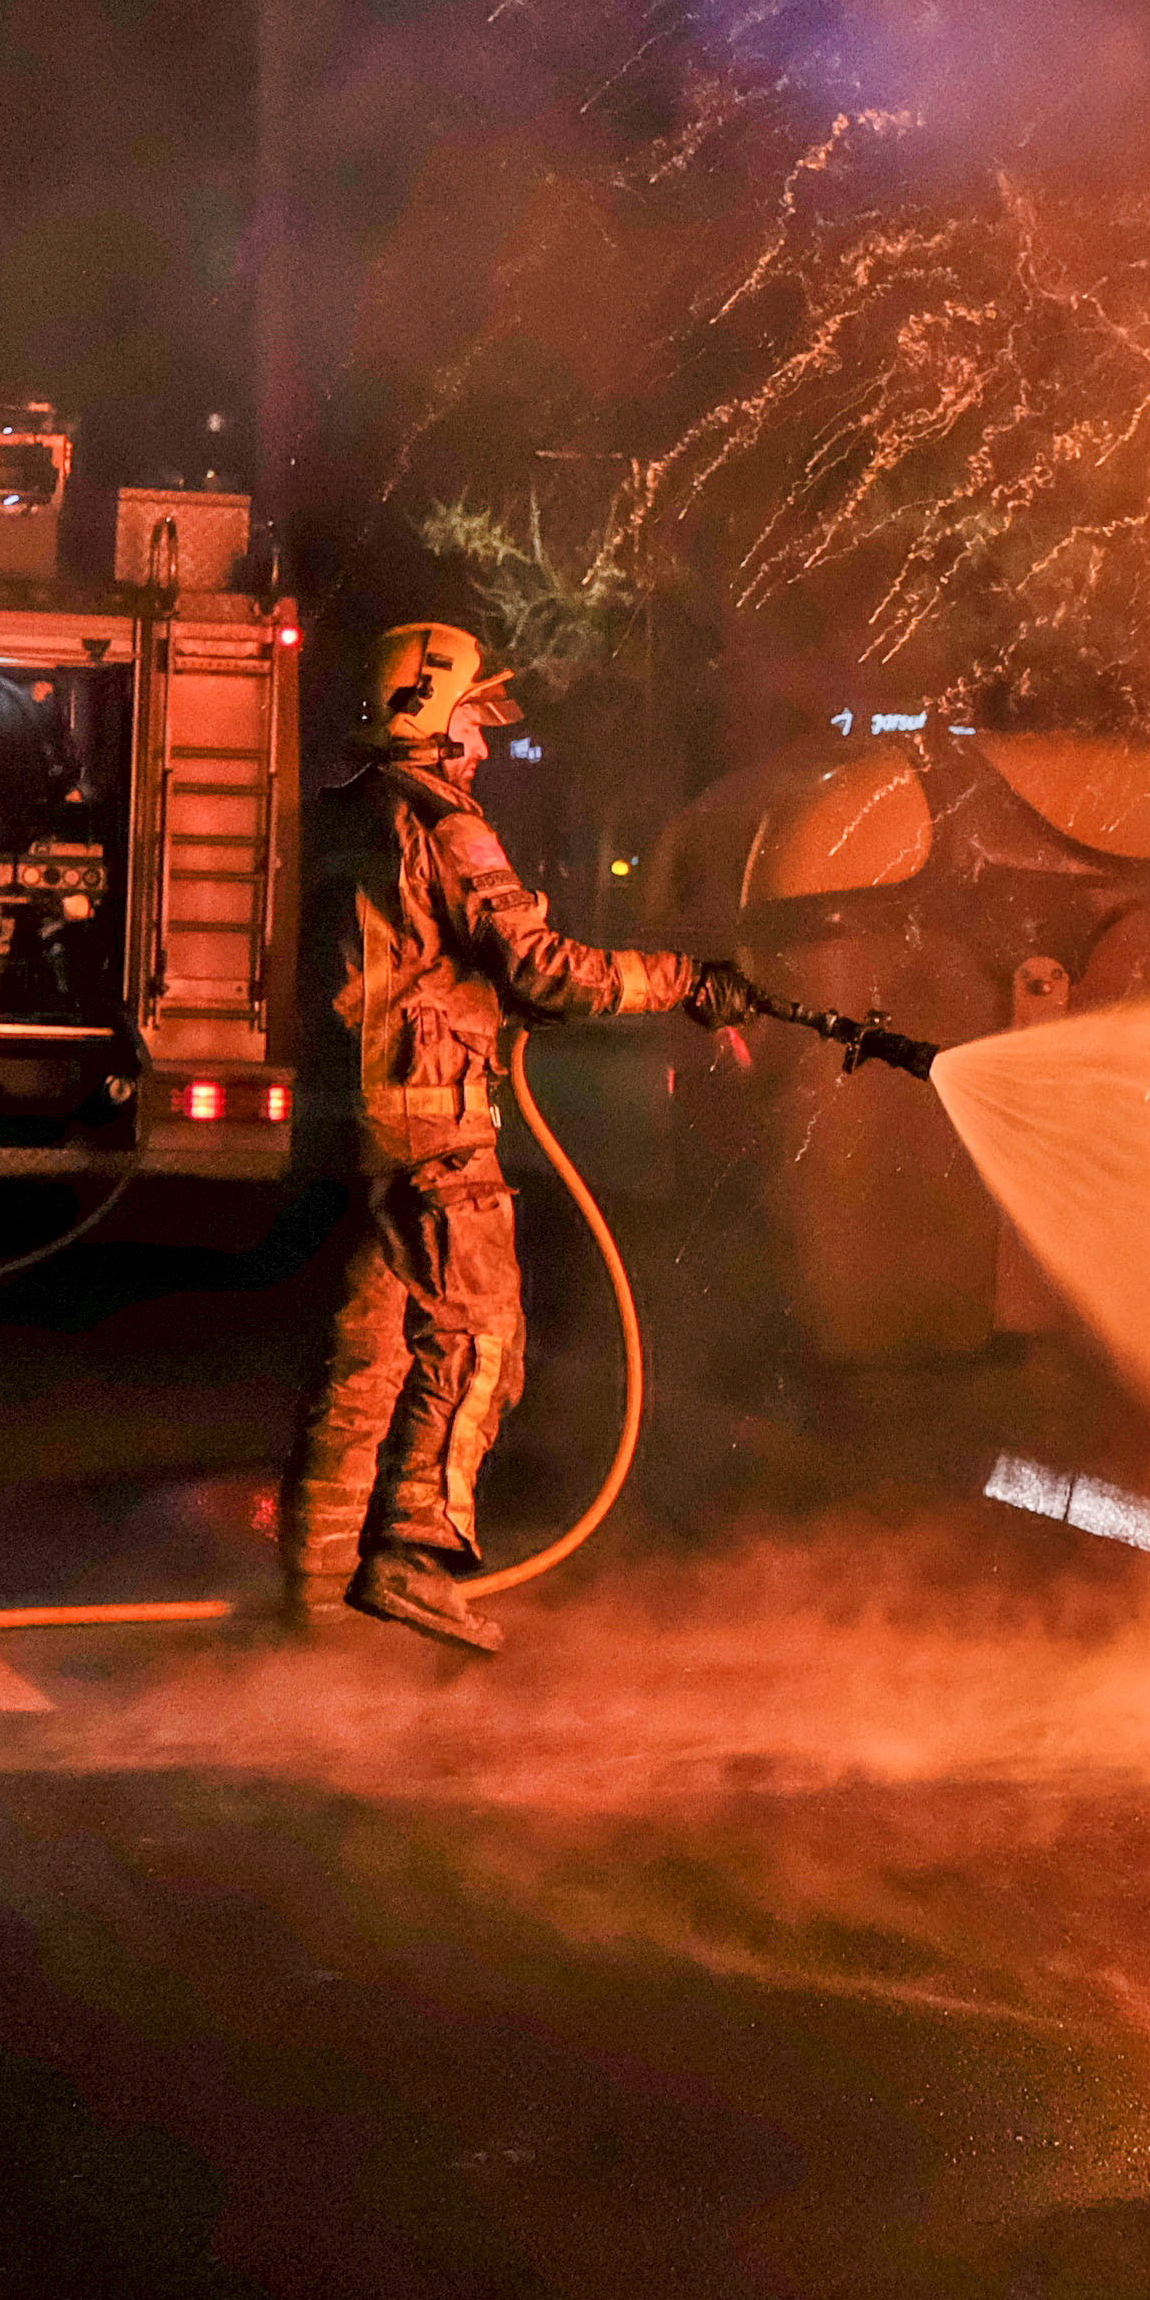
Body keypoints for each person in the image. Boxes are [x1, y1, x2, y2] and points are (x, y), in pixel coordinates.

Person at [286, 621, 758, 1650]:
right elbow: (543, 966)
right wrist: (686, 980)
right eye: (474, 719)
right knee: (481, 1340)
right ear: (431, 714)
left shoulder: (350, 815)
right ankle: (413, 1555)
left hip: (361, 1127)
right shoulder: (447, 824)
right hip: (436, 1128)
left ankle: (312, 1599)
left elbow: (418, 963)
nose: (486, 744)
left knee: (367, 1364)